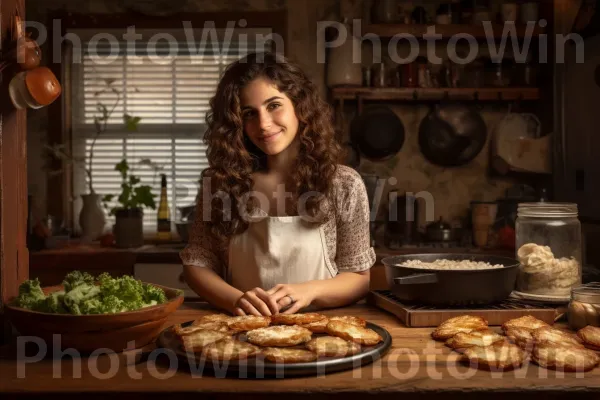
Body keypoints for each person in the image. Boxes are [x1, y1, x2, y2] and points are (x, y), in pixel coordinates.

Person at [180, 52, 375, 316]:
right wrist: (237, 301)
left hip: (321, 331)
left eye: (274, 105)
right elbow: (196, 265)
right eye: (249, 113)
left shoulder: (343, 184)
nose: (263, 124)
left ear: (299, 105)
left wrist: (309, 291)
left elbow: (359, 277)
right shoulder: (220, 184)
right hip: (241, 331)